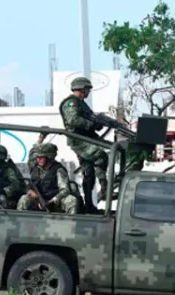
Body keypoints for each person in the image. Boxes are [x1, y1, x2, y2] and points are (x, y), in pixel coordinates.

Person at [59, 76, 108, 212]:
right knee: (100, 155)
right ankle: (105, 186)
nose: (88, 92)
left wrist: (97, 124)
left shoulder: (81, 103)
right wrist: (91, 124)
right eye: (87, 89)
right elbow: (73, 120)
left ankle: (89, 205)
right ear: (81, 88)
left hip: (85, 139)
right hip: (79, 140)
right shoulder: (71, 103)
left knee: (89, 173)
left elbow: (88, 119)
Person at [17, 143, 78, 214]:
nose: (39, 159)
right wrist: (31, 192)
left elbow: (64, 190)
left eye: (42, 157)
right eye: (38, 157)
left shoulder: (58, 170)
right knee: (24, 199)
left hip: (55, 201)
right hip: (38, 200)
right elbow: (29, 186)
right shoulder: (35, 169)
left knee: (71, 200)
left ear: (49, 157)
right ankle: (20, 224)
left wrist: (52, 201)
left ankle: (71, 223)